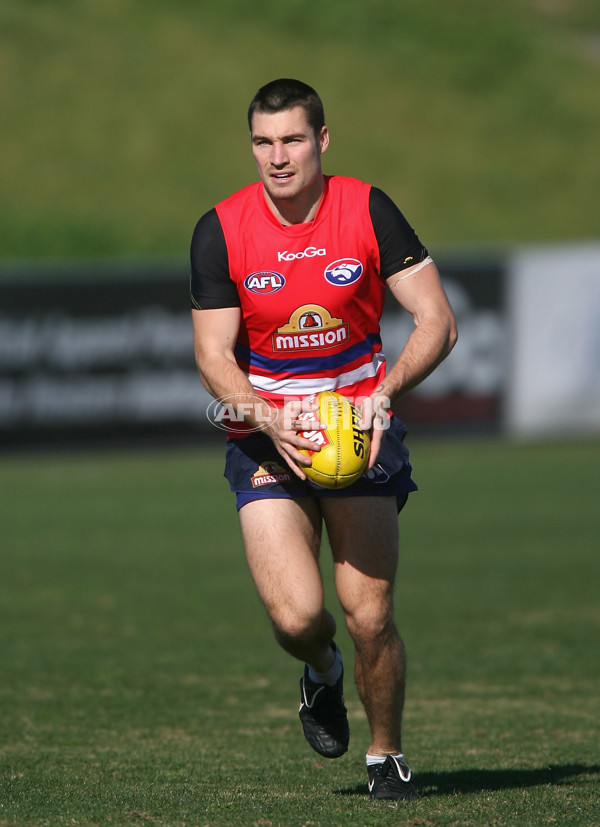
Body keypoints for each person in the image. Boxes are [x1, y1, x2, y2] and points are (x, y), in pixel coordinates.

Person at [190, 78, 457, 801]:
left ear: (322, 141)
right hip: (266, 437)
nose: (278, 157)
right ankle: (321, 674)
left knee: (370, 613)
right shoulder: (220, 227)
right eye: (263, 142)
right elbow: (214, 353)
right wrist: (266, 415)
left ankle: (386, 755)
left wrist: (383, 393)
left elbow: (436, 319)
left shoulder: (368, 208)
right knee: (299, 616)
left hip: (358, 430)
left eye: (293, 140)